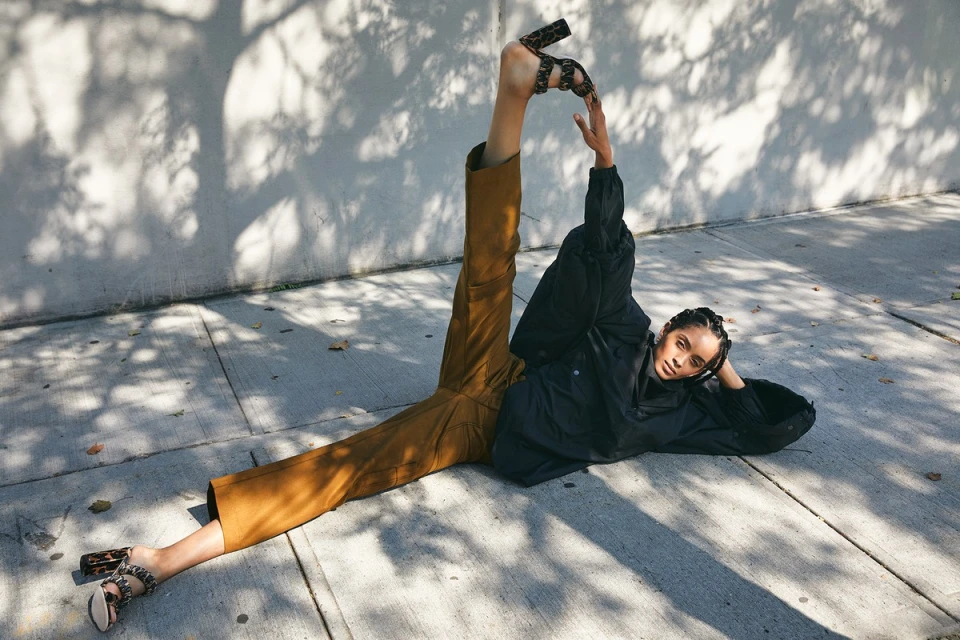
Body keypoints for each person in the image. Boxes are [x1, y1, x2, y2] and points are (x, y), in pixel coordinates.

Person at [81, 19, 814, 632]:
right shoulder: (626, 329)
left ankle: (161, 558)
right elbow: (606, 252)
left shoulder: (680, 413)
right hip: (500, 373)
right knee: (491, 265)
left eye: (696, 362)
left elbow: (772, 424)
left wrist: (724, 362)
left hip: (478, 427)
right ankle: (514, 89)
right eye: (684, 342)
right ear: (667, 327)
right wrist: (606, 164)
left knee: (351, 467)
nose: (682, 360)